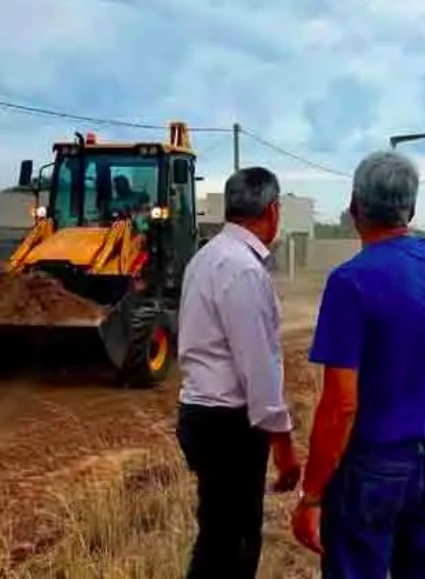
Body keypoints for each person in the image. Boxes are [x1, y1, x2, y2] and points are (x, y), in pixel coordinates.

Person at [291, 150, 425, 579]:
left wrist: (312, 496)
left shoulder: (350, 282)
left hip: (374, 468)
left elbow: (341, 405)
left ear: (354, 207)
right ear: (413, 208)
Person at [176, 166, 301, 579]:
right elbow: (259, 369)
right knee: (236, 543)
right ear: (273, 210)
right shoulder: (244, 270)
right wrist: (284, 449)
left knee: (216, 535)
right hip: (229, 425)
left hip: (198, 412)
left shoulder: (204, 259)